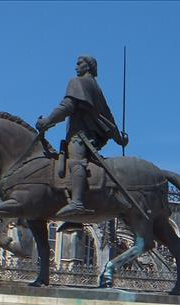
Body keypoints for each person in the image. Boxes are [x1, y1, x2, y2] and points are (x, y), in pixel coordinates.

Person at [36, 54, 129, 217]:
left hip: (81, 135)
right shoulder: (95, 87)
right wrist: (118, 138)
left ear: (89, 66)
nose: (76, 67)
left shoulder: (77, 82)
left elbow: (67, 106)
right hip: (92, 137)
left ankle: (77, 202)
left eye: (79, 63)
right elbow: (107, 116)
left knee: (75, 161)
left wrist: (48, 121)